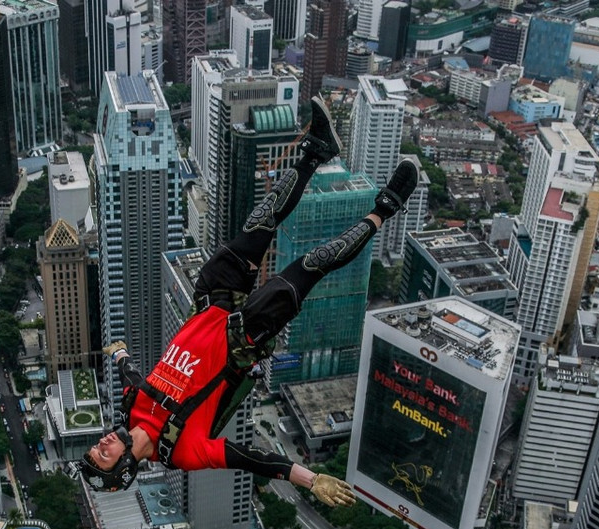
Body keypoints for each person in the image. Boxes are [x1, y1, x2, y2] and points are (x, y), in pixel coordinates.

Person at [81, 95, 419, 507]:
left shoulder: (132, 409)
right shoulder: (185, 452)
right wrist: (310, 480)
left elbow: (134, 378)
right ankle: (385, 208)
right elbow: (251, 458)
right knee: (310, 265)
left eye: (96, 446)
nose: (102, 442)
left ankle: (316, 151)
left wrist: (119, 357)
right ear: (124, 466)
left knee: (259, 224)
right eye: (103, 453)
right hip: (241, 342)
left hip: (206, 308)